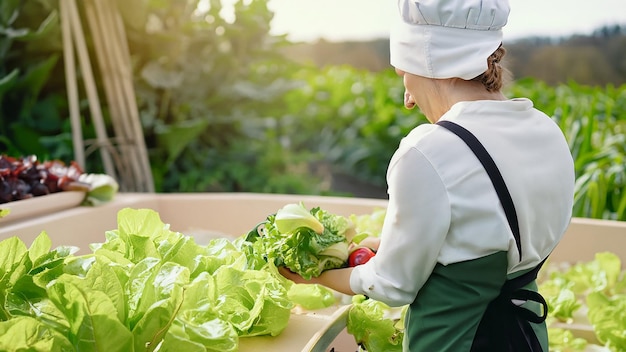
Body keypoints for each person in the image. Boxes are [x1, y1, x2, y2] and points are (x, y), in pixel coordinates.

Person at [279, 0, 575, 350]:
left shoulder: (428, 150)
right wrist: (389, 245)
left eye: (405, 75)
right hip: (526, 339)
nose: (408, 99)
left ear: (431, 64)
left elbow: (392, 284)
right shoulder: (546, 131)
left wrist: (316, 275)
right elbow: (491, 241)